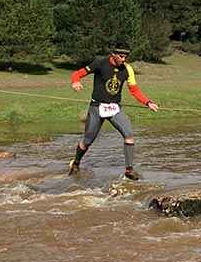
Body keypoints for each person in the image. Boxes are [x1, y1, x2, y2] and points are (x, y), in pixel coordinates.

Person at [67, 46, 159, 179]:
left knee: (129, 135)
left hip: (115, 108)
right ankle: (76, 163)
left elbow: (135, 90)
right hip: (97, 108)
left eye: (125, 57)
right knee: (87, 140)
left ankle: (129, 170)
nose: (124, 59)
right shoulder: (100, 63)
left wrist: (148, 102)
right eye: (121, 56)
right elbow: (77, 74)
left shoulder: (128, 69)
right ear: (113, 55)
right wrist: (75, 82)